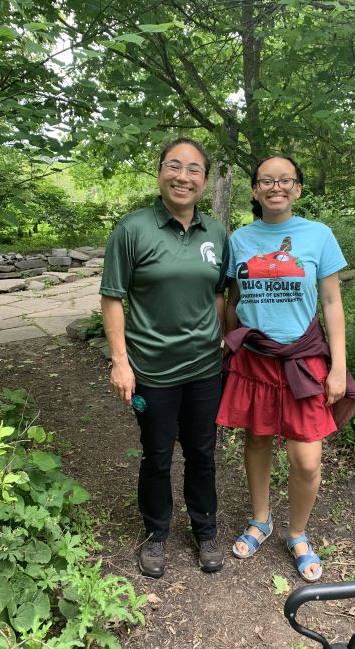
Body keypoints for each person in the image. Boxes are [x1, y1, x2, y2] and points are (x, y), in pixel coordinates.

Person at [216, 155, 355, 582]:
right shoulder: (240, 239)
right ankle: (261, 519)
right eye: (266, 181)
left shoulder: (318, 235)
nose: (275, 187)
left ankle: (297, 532)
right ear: (256, 190)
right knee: (257, 442)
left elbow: (332, 303)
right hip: (256, 359)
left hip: (303, 360)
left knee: (307, 460)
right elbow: (234, 297)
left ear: (297, 188)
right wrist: (231, 343)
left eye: (285, 180)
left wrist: (338, 367)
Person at [100, 138, 229, 578]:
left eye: (194, 170)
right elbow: (112, 298)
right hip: (151, 369)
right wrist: (121, 360)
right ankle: (156, 534)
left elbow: (216, 293)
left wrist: (220, 339)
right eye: (174, 166)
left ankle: (204, 528)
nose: (183, 176)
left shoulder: (215, 232)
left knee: (202, 452)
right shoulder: (133, 229)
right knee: (156, 454)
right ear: (160, 173)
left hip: (205, 369)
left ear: (205, 181)